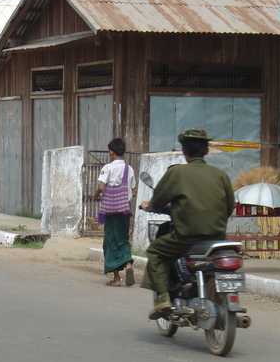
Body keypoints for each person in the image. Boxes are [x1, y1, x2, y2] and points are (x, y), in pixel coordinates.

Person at [139, 128, 235, 319]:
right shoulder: (221, 175)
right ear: (207, 151)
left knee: (156, 252)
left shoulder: (177, 173)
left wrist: (149, 206)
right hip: (217, 238)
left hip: (186, 237)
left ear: (184, 151)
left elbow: (158, 201)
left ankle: (163, 299)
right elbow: (229, 206)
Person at [94, 138, 138, 287]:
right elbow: (133, 191)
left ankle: (117, 279)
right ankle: (128, 265)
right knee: (123, 239)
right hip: (124, 210)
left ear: (111, 152)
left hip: (109, 212)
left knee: (110, 242)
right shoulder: (129, 169)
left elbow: (101, 187)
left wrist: (96, 196)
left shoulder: (108, 167)